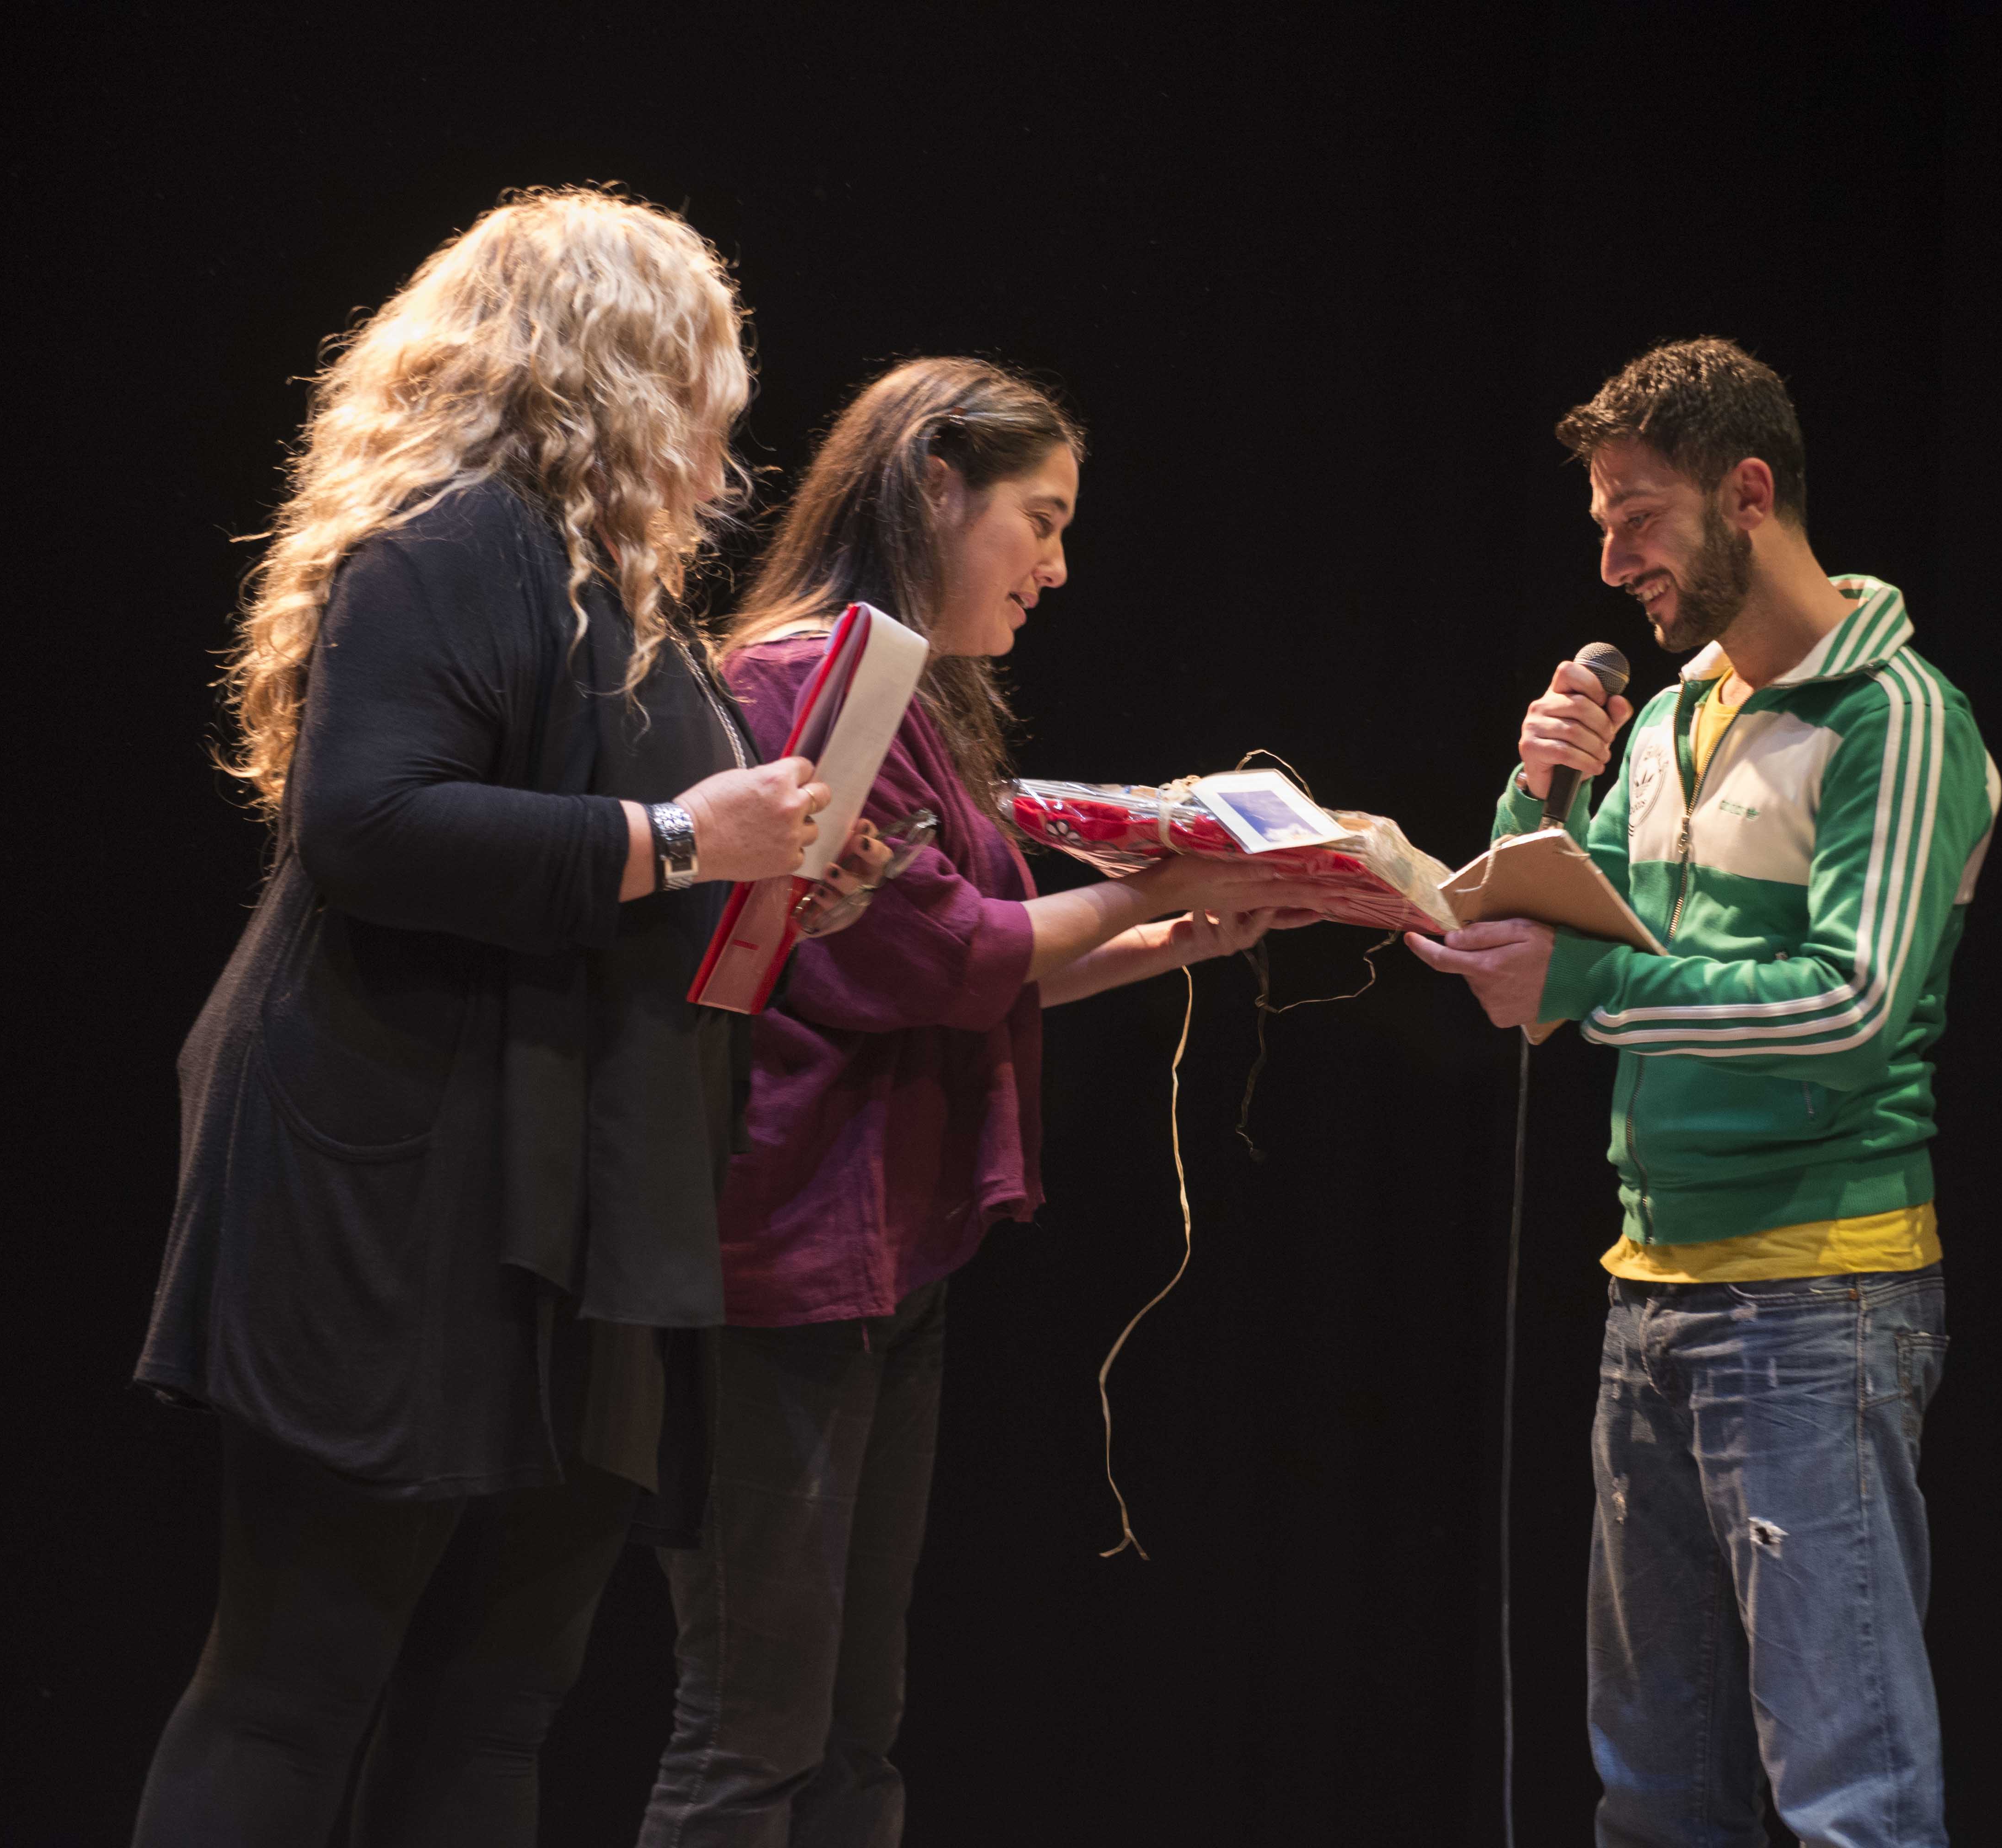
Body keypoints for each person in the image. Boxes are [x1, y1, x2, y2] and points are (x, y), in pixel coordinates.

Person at [131, 188, 888, 1848]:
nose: (725, 427)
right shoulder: (461, 544)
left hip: (576, 1196)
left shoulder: (624, 602)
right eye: (708, 377)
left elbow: (627, 863)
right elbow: (369, 825)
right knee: (297, 1682)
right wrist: (686, 838)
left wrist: (767, 881)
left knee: (495, 1707)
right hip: (404, 1181)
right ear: (618, 367)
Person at [640, 356, 1329, 1846]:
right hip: (785, 1266)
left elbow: (962, 969)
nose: (1058, 568)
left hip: (885, 1259)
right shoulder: (793, 684)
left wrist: (1166, 937)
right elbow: (944, 955)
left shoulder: (913, 697)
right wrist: (1161, 880)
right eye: (1044, 519)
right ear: (936, 488)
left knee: (855, 1730)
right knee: (756, 1729)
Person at [1409, 339, 1999, 1848]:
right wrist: (1535, 791)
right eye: (1603, 523)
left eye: (1639, 518)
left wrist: (1589, 987)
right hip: (1652, 1292)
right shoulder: (1677, 717)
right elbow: (1573, 928)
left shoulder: (1896, 715)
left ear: (1748, 493)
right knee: (1657, 1795)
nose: (1614, 563)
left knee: (1850, 1797)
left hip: (1818, 1297)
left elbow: (1851, 1001)